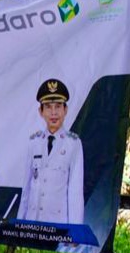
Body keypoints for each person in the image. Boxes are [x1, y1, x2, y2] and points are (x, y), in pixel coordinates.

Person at [18, 78, 84, 225]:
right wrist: (20, 222)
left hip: (57, 225)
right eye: (48, 107)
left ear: (65, 110)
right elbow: (27, 187)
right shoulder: (34, 142)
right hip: (32, 221)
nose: (53, 113)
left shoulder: (73, 144)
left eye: (58, 106)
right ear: (41, 111)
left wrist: (74, 229)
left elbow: (75, 191)